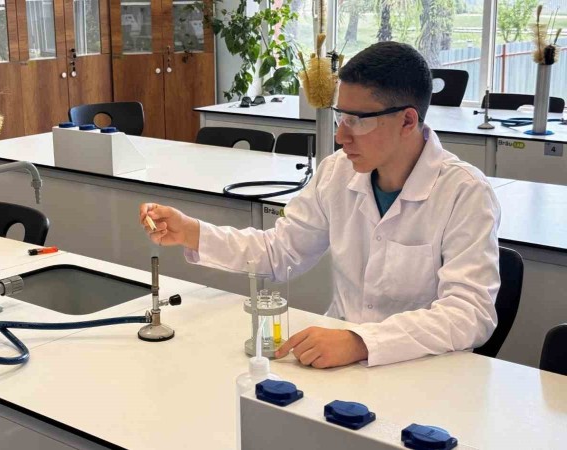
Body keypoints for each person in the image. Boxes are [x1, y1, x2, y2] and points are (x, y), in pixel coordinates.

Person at [139, 42, 501, 368]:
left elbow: (469, 314)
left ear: (407, 120)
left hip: (422, 371)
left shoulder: (464, 193)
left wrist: (361, 342)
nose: (341, 136)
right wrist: (193, 233)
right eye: (342, 116)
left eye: (357, 121)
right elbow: (280, 252)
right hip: (339, 361)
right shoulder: (337, 173)